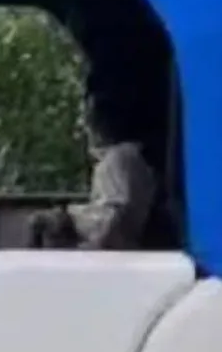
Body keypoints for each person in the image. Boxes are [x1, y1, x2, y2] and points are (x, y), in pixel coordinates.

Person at [28, 98, 156, 250]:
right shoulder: (132, 156)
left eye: (90, 118)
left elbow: (112, 218)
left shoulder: (118, 159)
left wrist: (67, 218)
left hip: (115, 254)